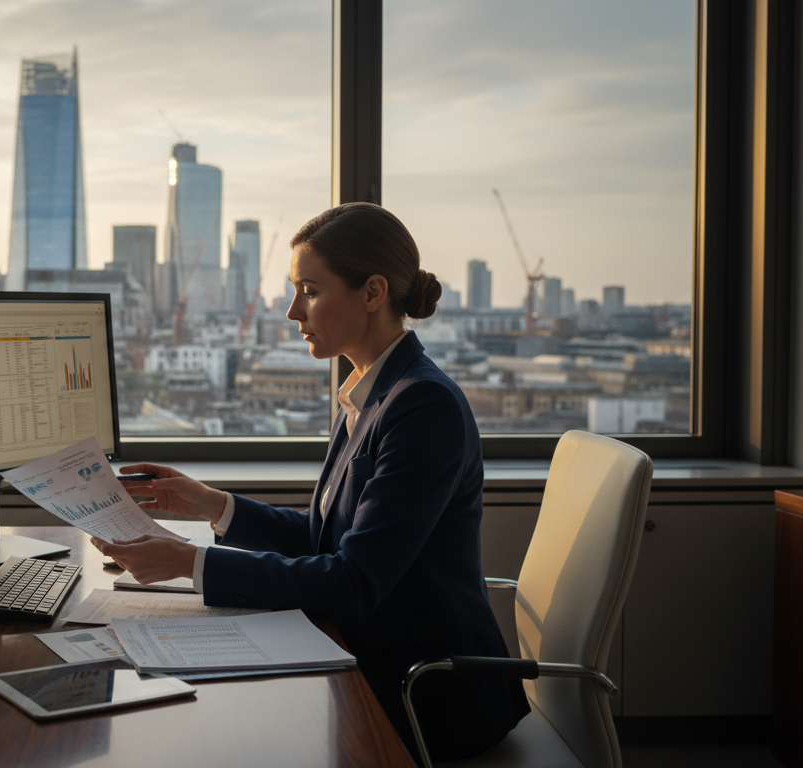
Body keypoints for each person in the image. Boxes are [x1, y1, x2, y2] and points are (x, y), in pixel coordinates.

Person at [92, 202, 529, 760]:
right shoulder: (371, 391)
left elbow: (352, 581)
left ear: (372, 293)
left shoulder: (422, 406)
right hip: (370, 656)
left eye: (310, 290)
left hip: (425, 691)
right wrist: (212, 504)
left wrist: (186, 563)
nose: (294, 312)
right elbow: (329, 540)